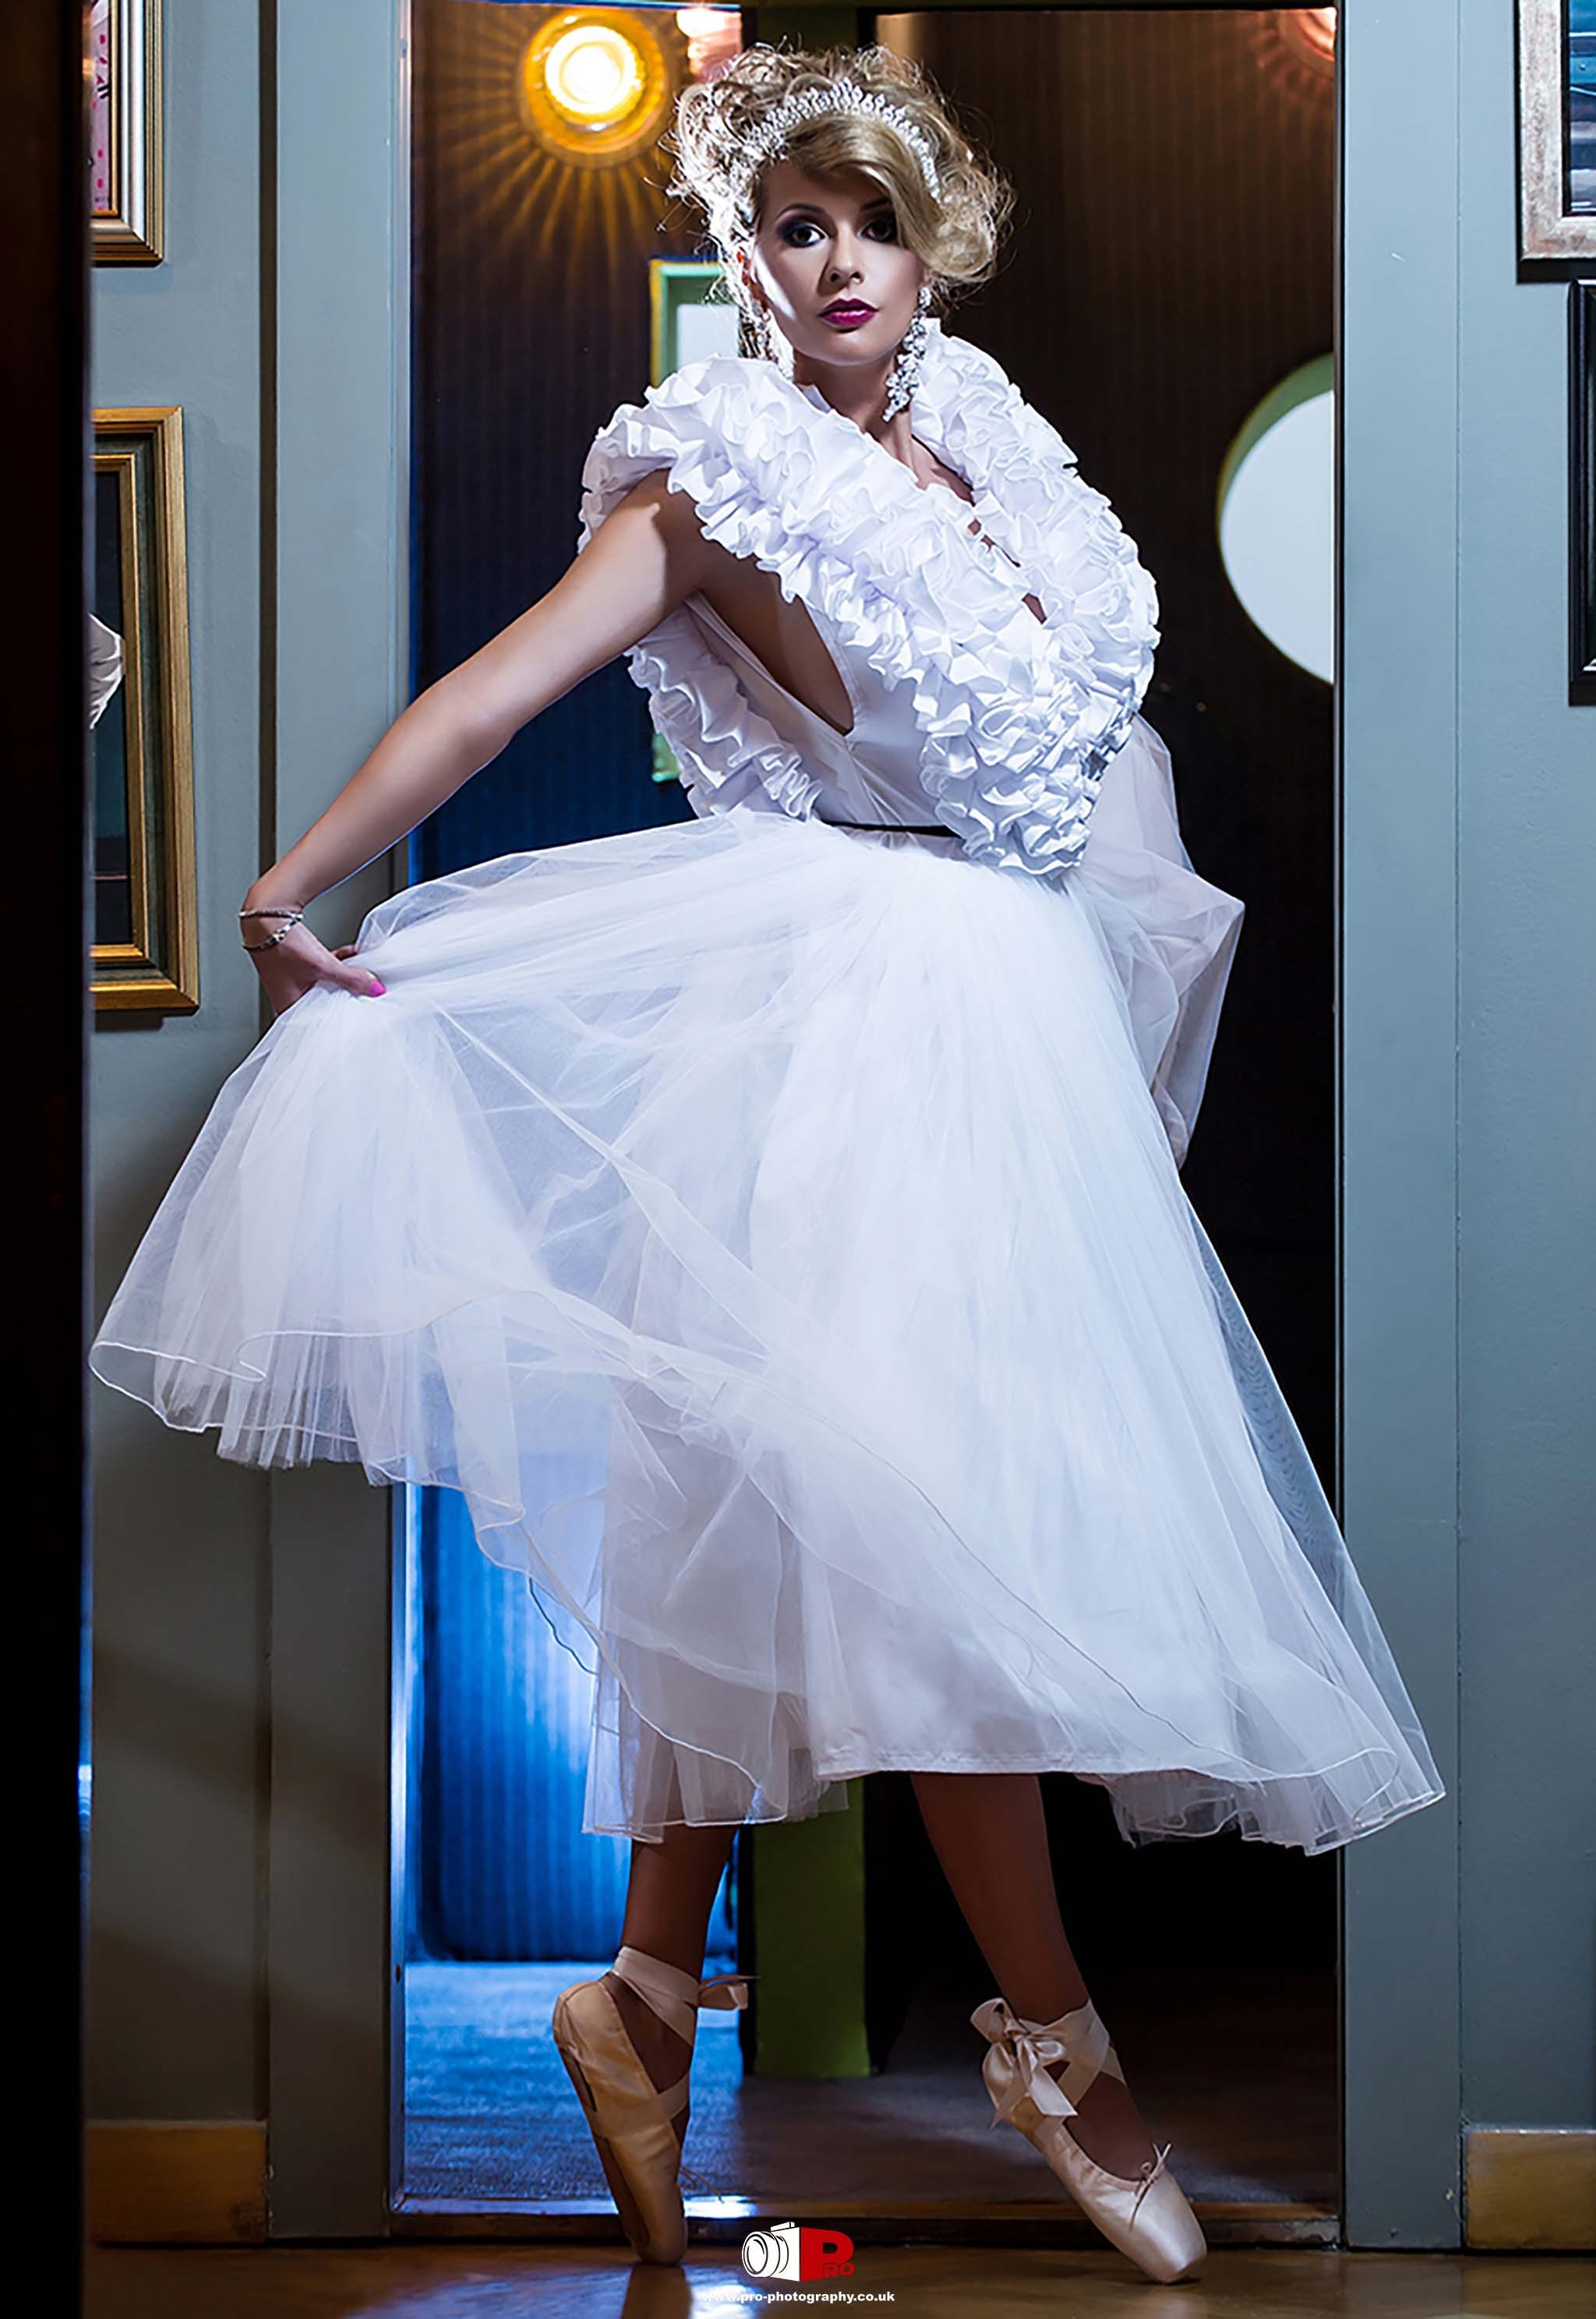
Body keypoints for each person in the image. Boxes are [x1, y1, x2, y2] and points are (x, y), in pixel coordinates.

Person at [89, 43, 1443, 2289]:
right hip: (849, 1022)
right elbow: (500, 690)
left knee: (791, 1528)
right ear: (744, 253)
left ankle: (641, 1998)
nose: (837, 264)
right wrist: (289, 882)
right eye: (794, 227)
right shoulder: (712, 477)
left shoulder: (994, 449)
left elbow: (1078, 775)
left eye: (873, 224)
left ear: (932, 246)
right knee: (926, 1542)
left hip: (1008, 1023)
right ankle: (1061, 2048)